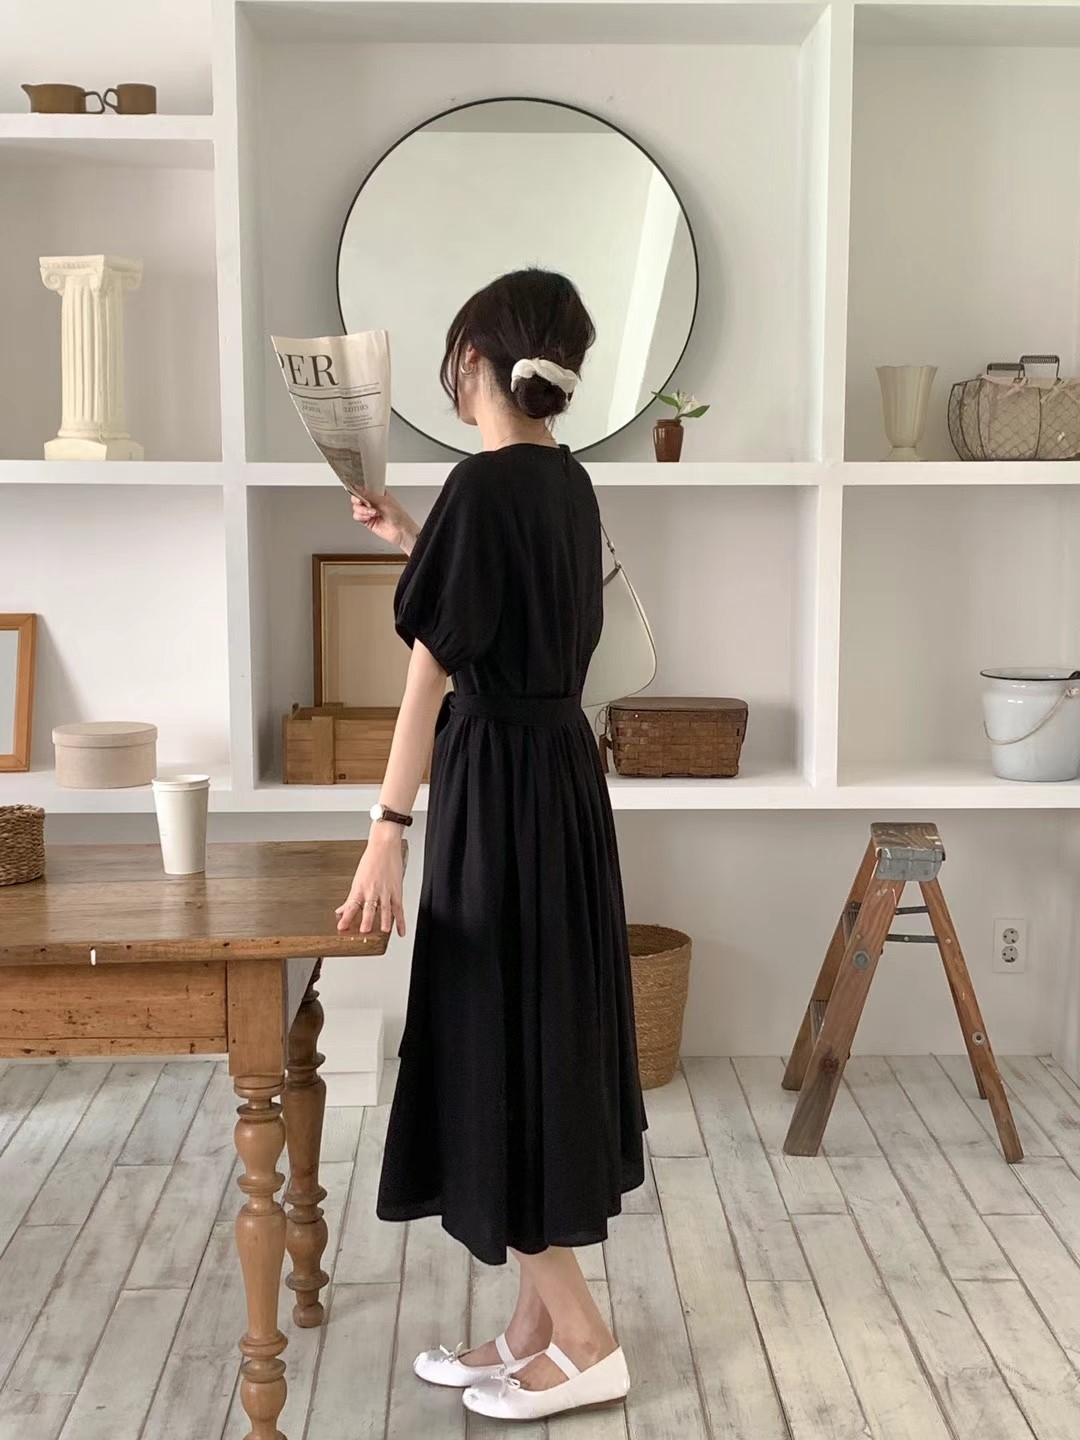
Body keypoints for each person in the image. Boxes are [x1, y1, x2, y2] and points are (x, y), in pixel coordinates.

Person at [336, 267, 646, 1422]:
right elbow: (501, 616)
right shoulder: (565, 482)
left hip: (497, 796)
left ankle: (587, 1340)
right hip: (558, 783)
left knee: (492, 1049)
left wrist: (386, 830)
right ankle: (531, 1331)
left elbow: (433, 678)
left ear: (473, 357)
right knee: (534, 1038)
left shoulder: (483, 483)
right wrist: (414, 538)